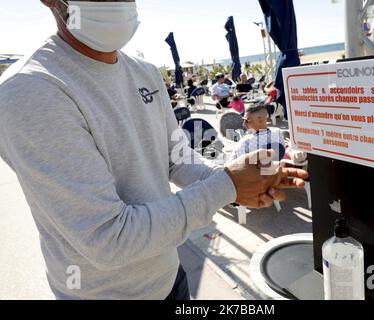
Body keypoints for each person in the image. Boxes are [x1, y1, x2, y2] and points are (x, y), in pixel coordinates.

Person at [0, 0, 308, 300]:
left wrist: (243, 178)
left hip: (170, 276)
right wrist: (226, 186)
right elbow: (109, 238)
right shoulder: (31, 90)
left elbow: (177, 160)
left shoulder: (144, 72)